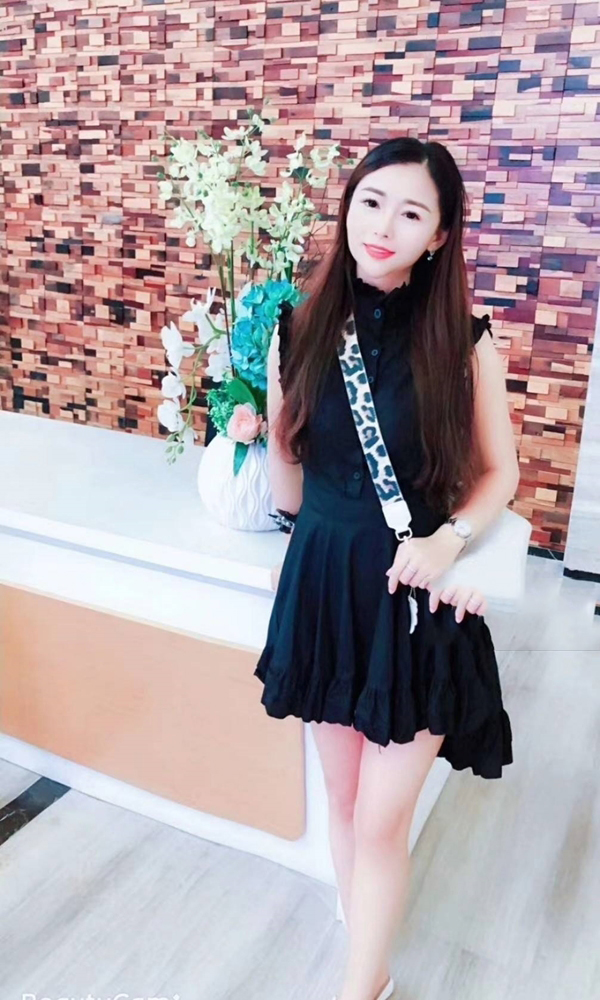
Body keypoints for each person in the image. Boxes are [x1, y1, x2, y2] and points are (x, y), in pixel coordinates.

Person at [254, 137, 520, 1000]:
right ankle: (367, 950)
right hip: (324, 587)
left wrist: (452, 540)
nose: (383, 225)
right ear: (348, 206)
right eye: (371, 202)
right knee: (341, 802)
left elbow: (500, 473)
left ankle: (361, 988)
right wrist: (290, 547)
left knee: (379, 818)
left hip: (415, 594)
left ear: (438, 235)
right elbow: (287, 469)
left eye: (411, 213)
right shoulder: (297, 328)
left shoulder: (463, 342)